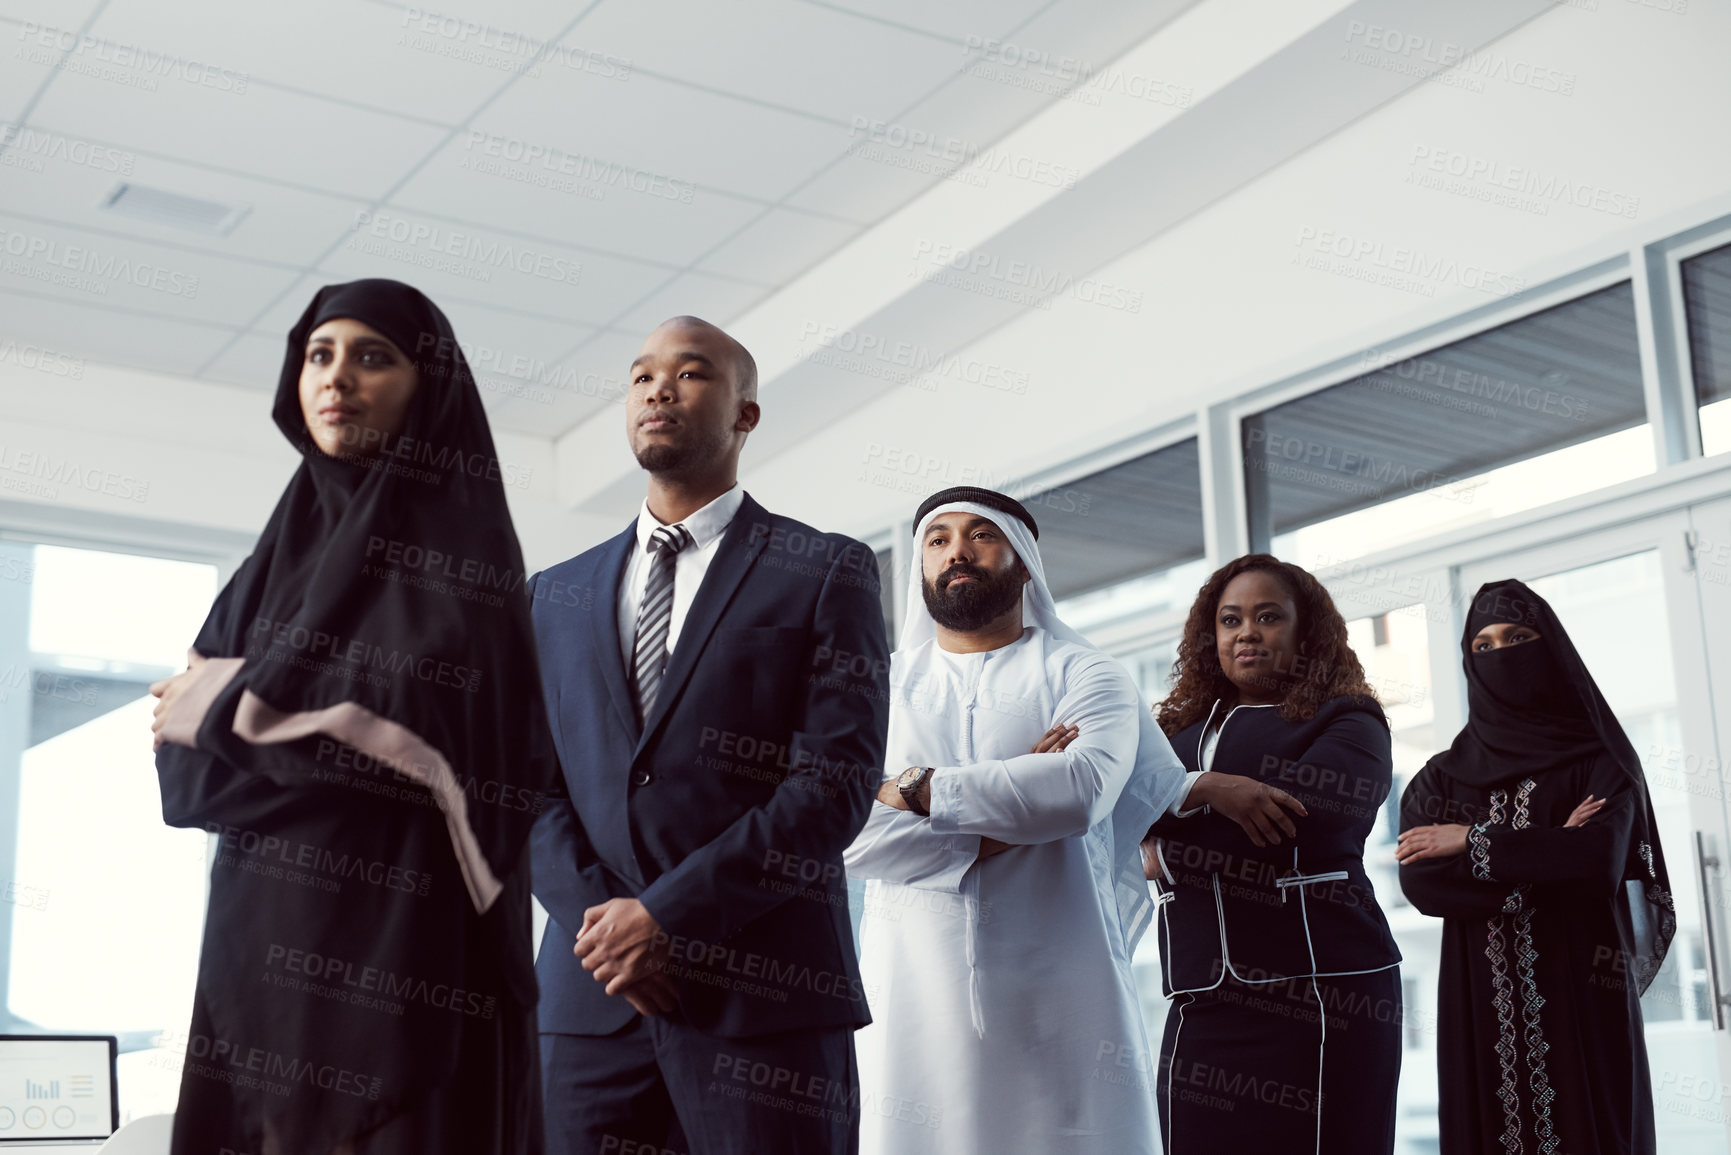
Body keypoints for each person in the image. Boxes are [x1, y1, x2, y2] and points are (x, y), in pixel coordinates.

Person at [149, 278, 553, 1155]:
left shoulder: (462, 554)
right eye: (318, 355)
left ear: (429, 384)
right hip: (257, 959)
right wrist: (286, 731)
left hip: (407, 969)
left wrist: (231, 714)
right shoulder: (273, 559)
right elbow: (182, 772)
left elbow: (443, 741)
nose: (337, 377)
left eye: (374, 356)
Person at [528, 316, 889, 1155]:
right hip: (589, 1011)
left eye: (690, 373)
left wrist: (665, 918)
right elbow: (525, 790)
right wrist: (610, 932)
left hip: (764, 1004)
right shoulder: (554, 593)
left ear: (745, 415)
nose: (658, 387)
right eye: (641, 374)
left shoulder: (825, 569)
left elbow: (831, 786)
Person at [843, 486, 1185, 1155]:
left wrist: (906, 786)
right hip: (912, 985)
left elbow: (1078, 789)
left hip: (1062, 980)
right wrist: (1011, 810)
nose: (957, 553)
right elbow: (846, 833)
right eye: (937, 540)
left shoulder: (1087, 673)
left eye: (980, 535)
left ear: (1024, 560)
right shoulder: (873, 690)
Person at [1396, 579, 1674, 1154]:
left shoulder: (1604, 758)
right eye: (1484, 646)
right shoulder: (1441, 777)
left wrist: (1470, 840)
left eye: (1518, 637)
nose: (1502, 655)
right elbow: (1423, 882)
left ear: (1550, 645)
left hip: (1583, 991)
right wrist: (1550, 850)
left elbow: (1596, 863)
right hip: (1479, 1002)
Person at [1144, 553, 1401, 1153]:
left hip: (1324, 991)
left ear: (1304, 630)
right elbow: (1115, 806)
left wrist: (1166, 848)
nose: (1247, 633)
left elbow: (1300, 823)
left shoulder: (1349, 719)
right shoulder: (1175, 733)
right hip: (1201, 992)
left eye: (1268, 617)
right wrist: (1213, 791)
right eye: (1230, 620)